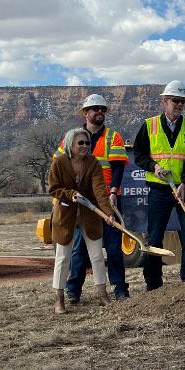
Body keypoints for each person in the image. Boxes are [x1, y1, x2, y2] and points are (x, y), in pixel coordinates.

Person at [55, 94, 130, 303]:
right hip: (82, 203)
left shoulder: (113, 137)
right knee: (79, 248)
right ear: (85, 112)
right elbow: (60, 166)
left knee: (114, 247)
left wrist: (114, 192)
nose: (99, 112)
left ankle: (120, 290)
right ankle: (73, 292)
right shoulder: (70, 138)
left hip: (109, 199)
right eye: (95, 108)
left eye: (103, 109)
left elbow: (117, 168)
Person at [133, 80, 185, 288]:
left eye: (182, 101)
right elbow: (139, 154)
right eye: (175, 100)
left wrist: (184, 182)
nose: (179, 105)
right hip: (159, 190)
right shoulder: (149, 125)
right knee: (155, 237)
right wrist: (153, 166)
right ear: (165, 101)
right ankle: (153, 284)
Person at [48, 127, 115, 313]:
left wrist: (108, 212)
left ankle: (102, 295)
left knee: (97, 257)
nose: (85, 146)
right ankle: (59, 299)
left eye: (87, 143)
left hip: (90, 215)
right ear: (71, 144)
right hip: (66, 215)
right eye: (81, 143)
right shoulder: (59, 162)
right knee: (63, 257)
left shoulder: (93, 162)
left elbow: (100, 190)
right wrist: (70, 194)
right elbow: (53, 189)